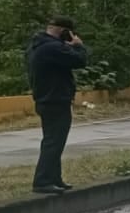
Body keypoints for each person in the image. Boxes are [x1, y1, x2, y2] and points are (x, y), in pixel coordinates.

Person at [26, 16, 88, 194]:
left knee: (54, 140)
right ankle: (43, 180)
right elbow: (80, 61)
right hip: (55, 99)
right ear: (64, 32)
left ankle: (54, 178)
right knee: (54, 141)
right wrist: (78, 45)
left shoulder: (37, 45)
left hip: (46, 98)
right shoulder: (53, 47)